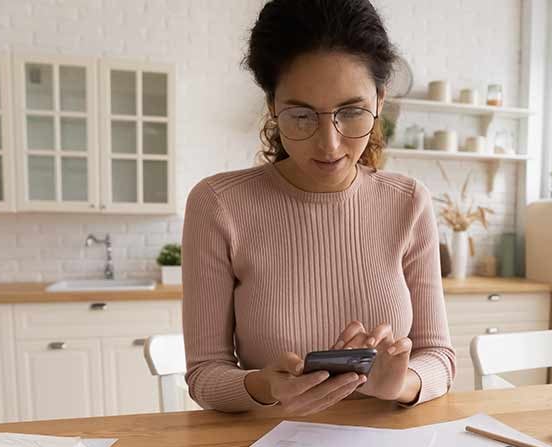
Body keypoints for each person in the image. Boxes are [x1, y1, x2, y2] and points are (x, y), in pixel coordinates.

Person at [182, 0, 455, 416]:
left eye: (351, 111)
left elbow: (439, 357)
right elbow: (204, 374)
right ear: (272, 105)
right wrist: (265, 386)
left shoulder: (408, 202)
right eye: (301, 115)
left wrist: (401, 383)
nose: (329, 143)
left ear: (380, 101)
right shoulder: (219, 205)